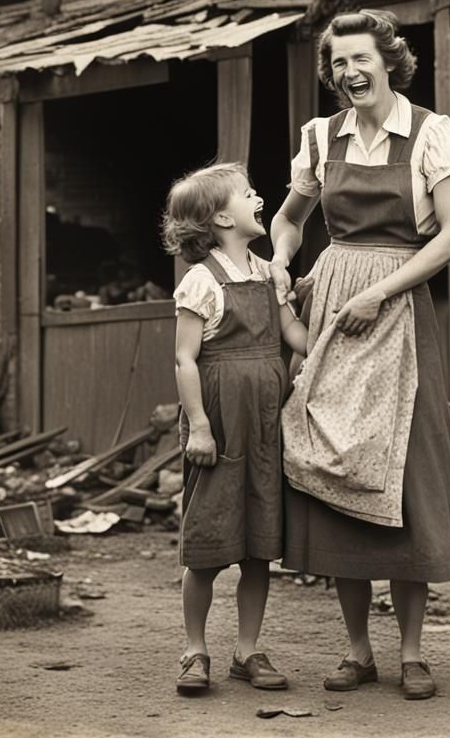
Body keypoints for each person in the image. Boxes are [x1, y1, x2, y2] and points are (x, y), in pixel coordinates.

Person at [270, 9, 450, 700]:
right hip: (330, 304)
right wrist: (280, 261)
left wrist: (378, 292)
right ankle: (358, 652)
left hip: (399, 309)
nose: (349, 73)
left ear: (389, 61)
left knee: (404, 475)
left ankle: (413, 653)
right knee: (335, 466)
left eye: (360, 60)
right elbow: (290, 219)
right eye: (338, 64)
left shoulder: (430, 133)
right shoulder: (321, 137)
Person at [161, 162, 308, 696]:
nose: (259, 198)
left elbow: (292, 333)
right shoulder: (202, 280)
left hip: (266, 427)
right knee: (207, 546)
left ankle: (247, 651)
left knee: (257, 545)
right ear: (222, 216)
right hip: (221, 427)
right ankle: (194, 650)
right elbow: (184, 360)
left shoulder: (270, 274)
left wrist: (334, 341)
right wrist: (199, 425)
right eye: (249, 193)